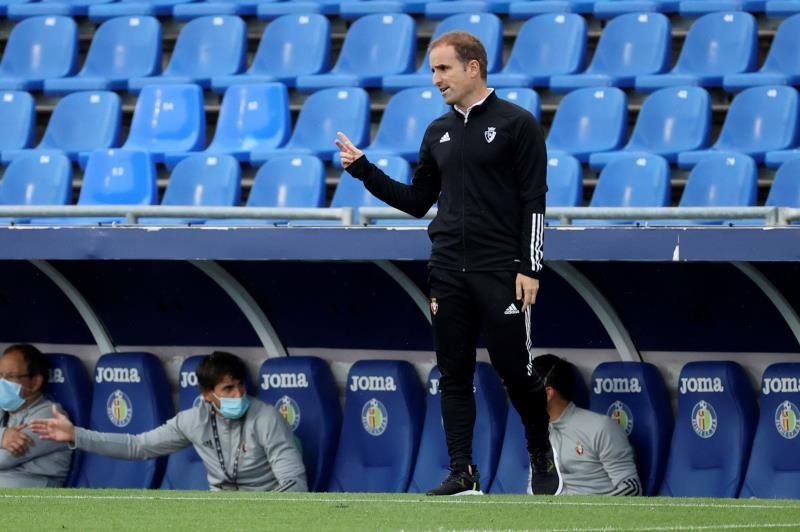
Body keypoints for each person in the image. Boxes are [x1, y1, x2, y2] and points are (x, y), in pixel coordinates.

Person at [336, 31, 556, 496]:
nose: (436, 79)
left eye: (443, 69)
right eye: (433, 70)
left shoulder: (517, 124)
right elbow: (418, 201)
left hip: (501, 268)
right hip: (447, 268)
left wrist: (530, 266)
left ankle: (540, 451)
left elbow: (534, 201)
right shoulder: (437, 131)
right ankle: (463, 472)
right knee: (453, 374)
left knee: (516, 371)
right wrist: (364, 170)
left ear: (473, 67)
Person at [32, 351, 307, 492]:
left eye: (240, 386)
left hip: (266, 507)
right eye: (228, 389)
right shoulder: (193, 420)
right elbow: (138, 446)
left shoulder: (266, 416)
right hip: (221, 512)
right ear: (207, 394)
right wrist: (76, 435)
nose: (238, 394)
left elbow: (293, 481)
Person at [532, 354, 642, 496]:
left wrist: (590, 510)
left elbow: (632, 488)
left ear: (548, 393)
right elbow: (535, 489)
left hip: (596, 508)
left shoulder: (600, 427)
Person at [0, 343, 72, 487]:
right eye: (0, 375)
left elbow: (4, 459)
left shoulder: (50, 417)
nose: (2, 382)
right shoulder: (4, 409)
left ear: (35, 382)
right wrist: (3, 436)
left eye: (10, 377)